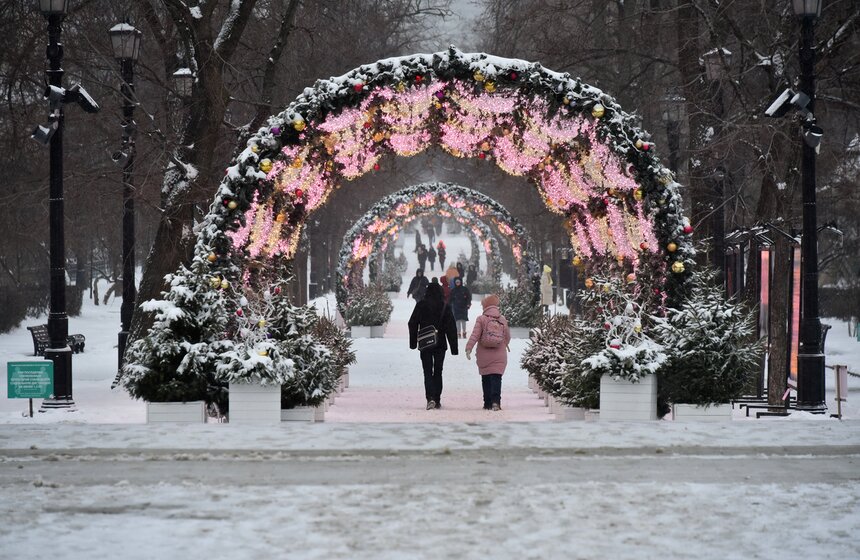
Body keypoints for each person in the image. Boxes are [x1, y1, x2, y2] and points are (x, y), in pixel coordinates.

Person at [408, 283, 458, 410]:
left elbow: (412, 323)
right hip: (440, 344)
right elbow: (451, 327)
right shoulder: (445, 306)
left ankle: (430, 397)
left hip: (425, 344)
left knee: (427, 371)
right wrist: (454, 348)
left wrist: (413, 342)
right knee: (438, 371)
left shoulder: (421, 305)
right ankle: (437, 399)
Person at [465, 294, 511, 411]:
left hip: (484, 354)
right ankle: (496, 402)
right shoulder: (502, 319)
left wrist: (469, 347)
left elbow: (475, 335)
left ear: (485, 306)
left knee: (486, 378)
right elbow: (507, 337)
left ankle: (487, 403)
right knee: (496, 378)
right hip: (499, 354)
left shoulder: (481, 319)